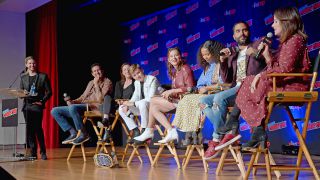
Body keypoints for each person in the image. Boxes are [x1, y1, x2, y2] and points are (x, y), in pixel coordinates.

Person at [236, 7, 310, 150]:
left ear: (286, 22)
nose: (272, 25)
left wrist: (260, 75)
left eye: (276, 21)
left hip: (292, 85)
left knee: (248, 85)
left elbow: (284, 69)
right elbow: (276, 68)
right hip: (280, 82)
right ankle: (257, 130)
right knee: (247, 84)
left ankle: (255, 130)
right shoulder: (286, 42)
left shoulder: (295, 40)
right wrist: (267, 56)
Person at [199, 21, 267, 159]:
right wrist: (223, 61)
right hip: (235, 88)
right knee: (203, 101)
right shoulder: (232, 52)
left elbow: (269, 62)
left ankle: (217, 138)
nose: (242, 33)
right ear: (233, 35)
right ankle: (230, 132)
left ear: (249, 32)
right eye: (238, 31)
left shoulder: (257, 45)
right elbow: (227, 78)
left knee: (219, 98)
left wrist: (254, 53)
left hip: (250, 88)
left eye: (245, 30)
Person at [134, 47, 195, 144]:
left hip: (187, 103)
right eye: (171, 56)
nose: (174, 58)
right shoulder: (175, 72)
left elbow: (191, 88)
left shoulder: (185, 68)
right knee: (154, 106)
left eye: (176, 55)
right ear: (168, 59)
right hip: (178, 102)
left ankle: (150, 131)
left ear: (180, 56)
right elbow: (177, 92)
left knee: (153, 101)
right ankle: (169, 131)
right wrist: (170, 95)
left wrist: (171, 91)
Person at [170, 40, 225, 145]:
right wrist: (202, 88)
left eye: (207, 54)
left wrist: (207, 88)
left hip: (216, 95)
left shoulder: (221, 64)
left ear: (215, 52)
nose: (205, 57)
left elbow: (223, 83)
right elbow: (200, 84)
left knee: (189, 99)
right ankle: (192, 133)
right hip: (204, 94)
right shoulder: (208, 67)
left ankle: (193, 133)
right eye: (203, 55)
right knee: (187, 99)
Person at [51, 63, 113, 145]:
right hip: (82, 106)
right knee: (55, 111)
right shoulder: (91, 82)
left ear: (102, 71)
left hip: (93, 107)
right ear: (92, 73)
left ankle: (84, 134)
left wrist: (96, 84)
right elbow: (83, 97)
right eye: (94, 71)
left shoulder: (107, 82)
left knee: (73, 108)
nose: (97, 72)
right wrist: (73, 101)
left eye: (98, 70)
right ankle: (73, 132)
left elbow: (100, 99)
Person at [118, 64, 160, 143]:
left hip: (153, 107)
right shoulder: (136, 83)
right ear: (133, 77)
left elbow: (150, 98)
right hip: (143, 108)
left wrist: (132, 104)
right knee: (121, 108)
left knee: (143, 103)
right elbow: (135, 96)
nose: (137, 76)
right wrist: (128, 104)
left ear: (142, 70)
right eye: (134, 75)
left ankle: (144, 130)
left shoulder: (152, 79)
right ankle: (136, 131)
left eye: (138, 73)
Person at [20, 56, 52, 160]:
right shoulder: (23, 77)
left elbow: (49, 92)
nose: (31, 65)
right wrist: (23, 93)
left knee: (38, 128)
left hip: (37, 106)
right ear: (26, 65)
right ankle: (33, 153)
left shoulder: (43, 76)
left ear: (36, 64)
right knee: (29, 130)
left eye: (33, 63)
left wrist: (42, 101)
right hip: (27, 106)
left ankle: (43, 152)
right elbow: (20, 93)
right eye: (29, 63)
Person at [100, 63, 135, 142]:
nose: (127, 71)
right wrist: (119, 101)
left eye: (128, 69)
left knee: (103, 107)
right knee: (107, 98)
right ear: (122, 72)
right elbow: (116, 97)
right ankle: (106, 120)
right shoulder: (119, 83)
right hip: (118, 104)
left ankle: (107, 131)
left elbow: (135, 97)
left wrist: (125, 102)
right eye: (124, 70)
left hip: (129, 104)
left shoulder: (135, 82)